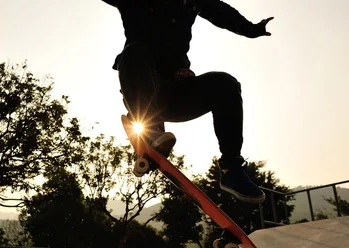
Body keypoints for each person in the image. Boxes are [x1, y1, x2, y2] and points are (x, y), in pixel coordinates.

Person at [101, 0, 273, 203]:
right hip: (144, 90)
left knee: (226, 84)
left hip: (178, 94)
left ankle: (232, 169)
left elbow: (223, 14)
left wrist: (252, 29)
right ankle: (150, 132)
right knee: (133, 52)